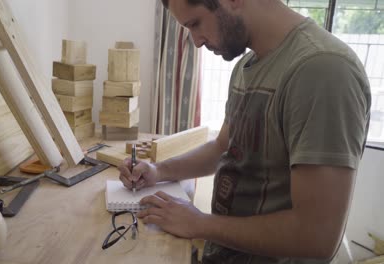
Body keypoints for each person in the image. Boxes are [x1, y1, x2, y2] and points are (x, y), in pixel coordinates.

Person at [118, 0, 371, 263]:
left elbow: (316, 236)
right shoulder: (246, 66)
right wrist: (159, 171)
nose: (195, 42)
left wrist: (200, 223)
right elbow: (223, 148)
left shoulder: (323, 71)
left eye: (195, 23)